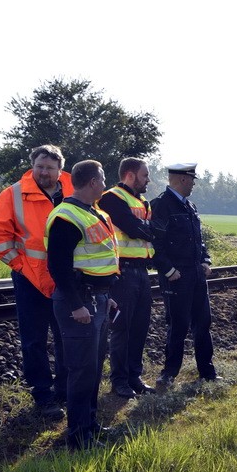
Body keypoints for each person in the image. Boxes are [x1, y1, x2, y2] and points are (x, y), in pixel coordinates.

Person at [0, 145, 73, 421]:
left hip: (66, 278)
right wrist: (21, 266)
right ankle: (43, 395)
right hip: (29, 280)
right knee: (33, 340)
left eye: (49, 167)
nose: (43, 172)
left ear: (60, 169)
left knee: (65, 337)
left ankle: (65, 389)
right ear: (32, 165)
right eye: (39, 166)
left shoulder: (73, 189)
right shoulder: (12, 194)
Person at [45, 160, 119, 450]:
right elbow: (58, 266)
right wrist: (77, 305)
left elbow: (97, 260)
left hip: (96, 298)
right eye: (102, 180)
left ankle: (90, 425)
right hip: (79, 302)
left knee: (94, 367)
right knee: (81, 370)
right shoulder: (66, 216)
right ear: (92, 182)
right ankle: (78, 438)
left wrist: (105, 294)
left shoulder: (93, 212)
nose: (104, 184)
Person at [150, 163, 219, 386]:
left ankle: (207, 372)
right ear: (182, 180)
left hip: (196, 276)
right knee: (177, 325)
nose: (194, 184)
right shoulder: (161, 205)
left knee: (203, 323)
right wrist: (168, 270)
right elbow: (154, 243)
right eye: (192, 180)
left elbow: (199, 240)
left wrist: (205, 260)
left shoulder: (190, 206)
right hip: (176, 277)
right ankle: (169, 372)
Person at [96, 158, 154, 398]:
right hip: (123, 272)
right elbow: (132, 227)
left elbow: (147, 228)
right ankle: (119, 380)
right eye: (145, 175)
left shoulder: (142, 201)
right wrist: (148, 228)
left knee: (140, 327)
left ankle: (134, 376)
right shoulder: (111, 198)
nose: (148, 179)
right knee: (122, 328)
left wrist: (146, 227)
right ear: (130, 175)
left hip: (141, 271)